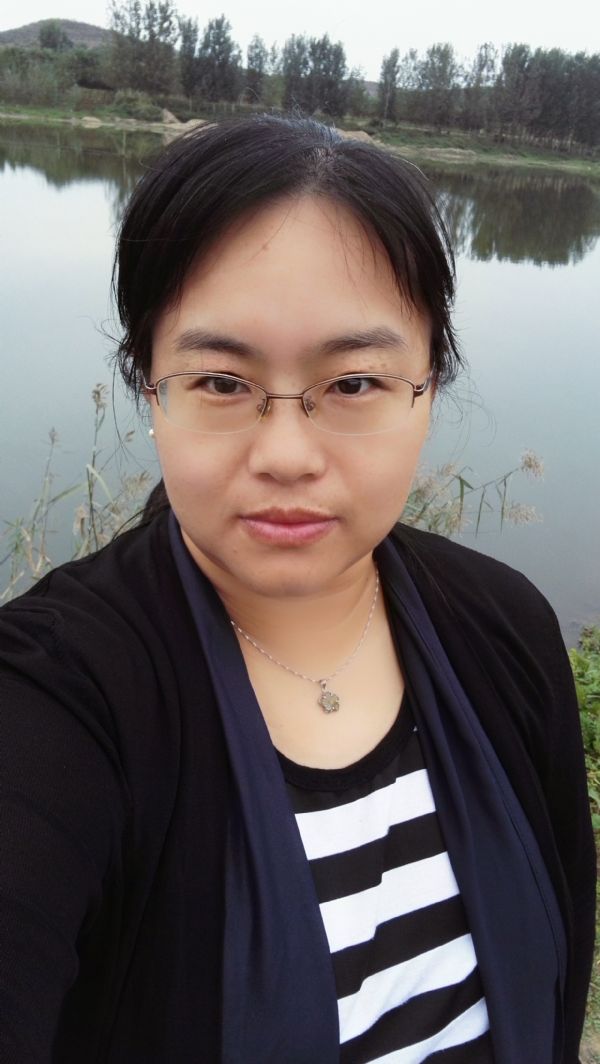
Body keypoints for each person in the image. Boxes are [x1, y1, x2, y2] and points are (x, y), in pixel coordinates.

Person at [0, 115, 595, 1064]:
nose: (285, 455)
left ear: (429, 387)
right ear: (150, 389)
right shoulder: (61, 694)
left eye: (353, 383)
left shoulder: (506, 629)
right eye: (221, 381)